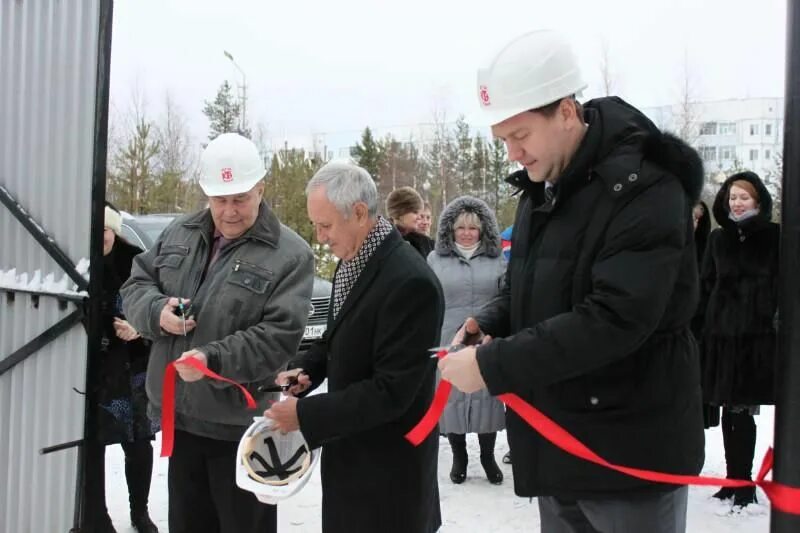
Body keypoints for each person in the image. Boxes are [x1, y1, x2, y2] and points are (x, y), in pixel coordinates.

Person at [439, 30, 705, 533]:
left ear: (565, 112)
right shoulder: (545, 185)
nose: (513, 154)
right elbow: (527, 283)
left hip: (627, 451)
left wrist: (495, 365)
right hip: (559, 440)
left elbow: (616, 318)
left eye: (521, 136)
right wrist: (491, 320)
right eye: (504, 141)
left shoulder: (644, 187)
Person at [120, 133, 314, 533]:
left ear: (261, 187)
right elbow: (135, 285)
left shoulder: (290, 255)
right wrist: (158, 312)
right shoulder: (180, 233)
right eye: (219, 199)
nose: (229, 211)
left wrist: (213, 359)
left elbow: (279, 336)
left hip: (241, 432)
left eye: (240, 198)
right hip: (182, 419)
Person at [264, 161, 444, 533]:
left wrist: (306, 415)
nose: (320, 236)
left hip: (388, 477)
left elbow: (392, 392)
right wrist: (310, 368)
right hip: (351, 458)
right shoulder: (354, 261)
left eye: (325, 225)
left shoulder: (410, 282)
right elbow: (342, 334)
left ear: (359, 213)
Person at [696, 172, 779, 508]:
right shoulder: (719, 239)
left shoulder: (775, 237)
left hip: (755, 339)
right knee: (728, 411)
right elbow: (706, 284)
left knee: (744, 411)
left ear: (758, 200)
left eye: (744, 197)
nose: (737, 203)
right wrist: (704, 325)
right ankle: (733, 480)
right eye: (732, 197)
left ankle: (745, 484)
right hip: (721, 338)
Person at [86, 204, 159, 533]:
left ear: (114, 230)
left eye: (105, 229)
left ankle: (139, 511)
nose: (100, 237)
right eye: (94, 230)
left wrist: (138, 328)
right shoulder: (80, 261)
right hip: (94, 370)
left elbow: (158, 306)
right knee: (92, 445)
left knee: (139, 444)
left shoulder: (136, 261)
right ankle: (97, 515)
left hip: (133, 367)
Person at [427, 196, 507, 485]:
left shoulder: (498, 259)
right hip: (450, 336)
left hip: (486, 335)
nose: (466, 233)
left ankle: (488, 455)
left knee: (488, 396)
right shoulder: (435, 259)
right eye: (460, 227)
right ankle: (459, 456)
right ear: (450, 230)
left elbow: (505, 296)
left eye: (473, 228)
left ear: (483, 230)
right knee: (453, 397)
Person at [691, 201, 719, 429]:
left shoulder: (707, 250)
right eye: (692, 217)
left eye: (699, 219)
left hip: (700, 330)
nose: (695, 222)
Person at [386, 186, 435, 257]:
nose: (419, 217)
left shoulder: (425, 242)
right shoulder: (385, 241)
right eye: (415, 212)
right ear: (400, 213)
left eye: (428, 217)